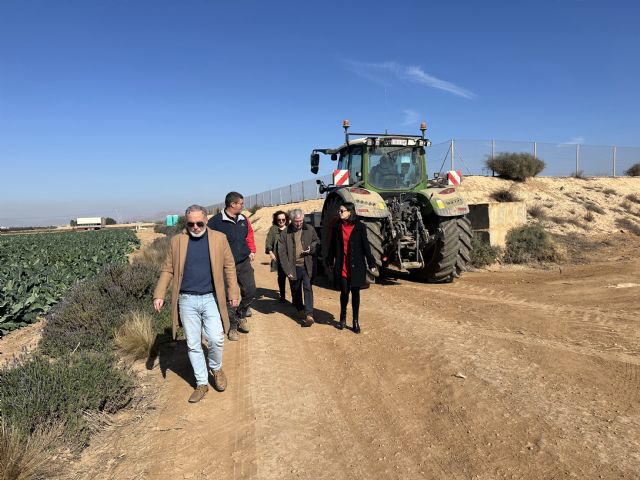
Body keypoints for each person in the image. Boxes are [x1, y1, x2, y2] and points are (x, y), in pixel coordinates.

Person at [153, 204, 239, 403]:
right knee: (193, 344)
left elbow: (229, 267)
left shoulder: (219, 238)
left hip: (210, 297)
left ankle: (215, 369)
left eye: (200, 223)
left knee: (216, 339)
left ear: (206, 221)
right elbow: (168, 269)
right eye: (191, 224)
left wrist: (233, 292)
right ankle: (201, 383)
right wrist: (159, 294)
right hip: (186, 300)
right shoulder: (177, 241)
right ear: (187, 223)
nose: (196, 227)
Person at [208, 192, 257, 341]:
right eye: (241, 204)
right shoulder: (215, 222)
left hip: (243, 262)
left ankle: (241, 314)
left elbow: (249, 236)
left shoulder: (243, 219)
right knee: (229, 297)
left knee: (250, 290)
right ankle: (232, 326)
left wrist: (252, 250)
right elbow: (207, 241)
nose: (243, 206)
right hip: (224, 265)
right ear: (232, 204)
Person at [326, 202, 378, 333]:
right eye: (339, 211)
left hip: (357, 266)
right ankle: (342, 319)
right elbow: (332, 245)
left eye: (342, 211)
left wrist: (371, 263)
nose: (339, 213)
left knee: (356, 294)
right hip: (342, 264)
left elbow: (366, 246)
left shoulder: (360, 227)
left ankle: (355, 321)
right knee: (344, 292)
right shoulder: (337, 226)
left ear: (350, 212)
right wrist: (329, 260)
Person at [278, 209, 319, 327]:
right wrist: (287, 270)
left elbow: (317, 241)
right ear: (291, 220)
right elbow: (282, 253)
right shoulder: (285, 233)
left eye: (301, 221)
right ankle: (300, 308)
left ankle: (309, 314)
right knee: (296, 290)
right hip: (293, 267)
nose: (299, 223)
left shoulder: (309, 229)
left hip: (306, 265)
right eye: (296, 221)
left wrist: (311, 248)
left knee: (307, 288)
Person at [265, 210, 289, 302]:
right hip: (279, 258)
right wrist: (270, 252)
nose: (281, 221)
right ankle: (282, 296)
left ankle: (295, 299)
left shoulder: (290, 229)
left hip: (290, 258)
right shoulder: (273, 229)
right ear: (276, 220)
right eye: (279, 220)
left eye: (283, 219)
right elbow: (268, 241)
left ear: (286, 219)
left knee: (293, 279)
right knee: (281, 277)